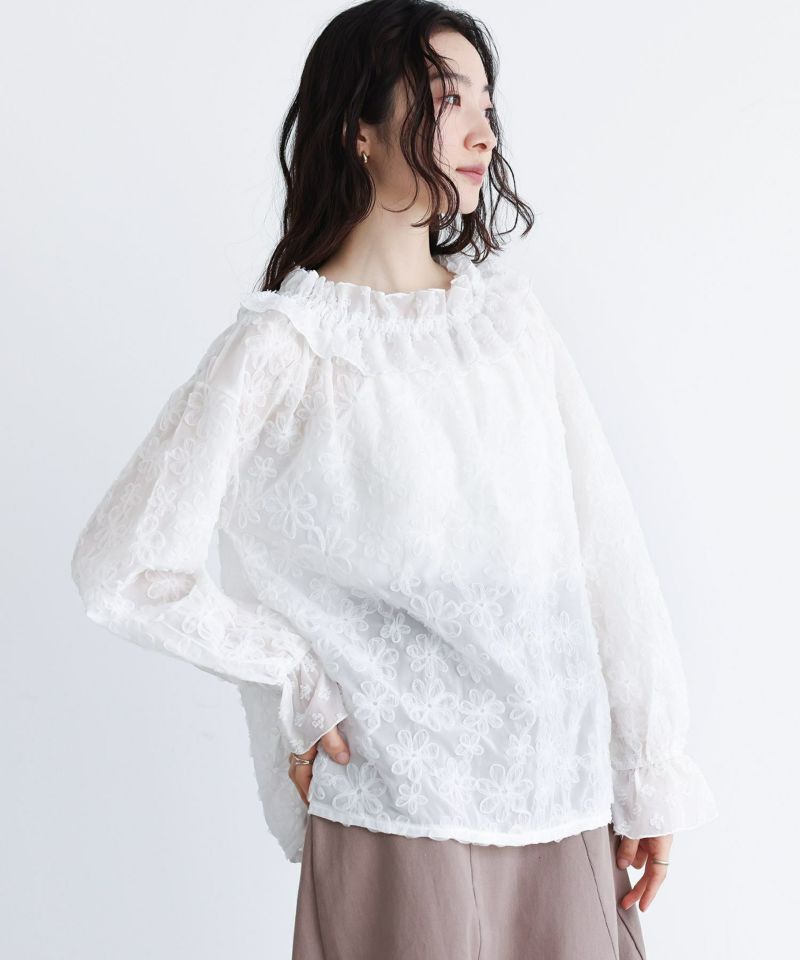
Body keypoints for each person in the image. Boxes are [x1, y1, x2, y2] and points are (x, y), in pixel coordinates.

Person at [70, 1, 719, 957]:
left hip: (564, 798)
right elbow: (121, 566)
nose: (482, 131)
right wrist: (295, 679)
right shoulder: (288, 347)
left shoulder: (509, 328)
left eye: (488, 105)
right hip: (399, 806)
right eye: (449, 100)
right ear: (359, 130)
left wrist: (648, 769)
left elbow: (605, 554)